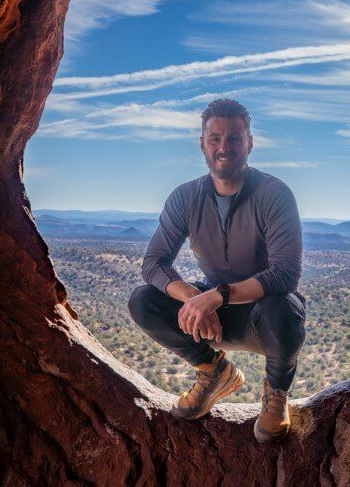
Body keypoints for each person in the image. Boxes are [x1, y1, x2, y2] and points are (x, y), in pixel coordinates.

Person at [128, 98, 306, 443]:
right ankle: (215, 371)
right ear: (203, 145)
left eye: (235, 139)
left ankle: (275, 393)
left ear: (249, 144)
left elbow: (285, 274)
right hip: (212, 319)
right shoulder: (185, 197)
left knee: (285, 307)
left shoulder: (274, 194)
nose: (225, 147)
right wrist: (195, 298)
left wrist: (218, 295)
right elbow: (153, 263)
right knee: (143, 301)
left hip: (261, 317)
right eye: (215, 139)